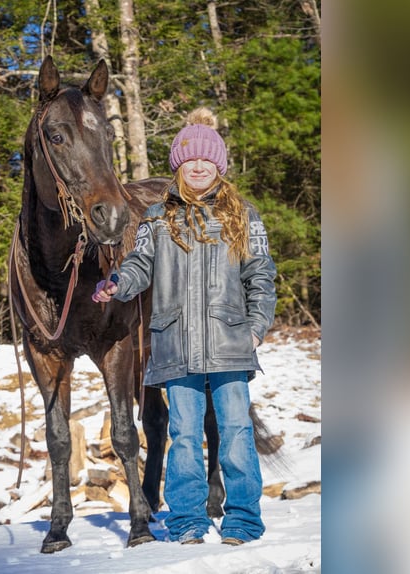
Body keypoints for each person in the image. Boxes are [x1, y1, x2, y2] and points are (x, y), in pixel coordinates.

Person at [92, 108, 277, 546]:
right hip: (175, 346)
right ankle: (188, 521)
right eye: (189, 160)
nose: (197, 167)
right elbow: (139, 265)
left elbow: (262, 277)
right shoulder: (157, 217)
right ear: (178, 165)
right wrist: (118, 283)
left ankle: (243, 520)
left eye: (206, 160)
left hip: (231, 344)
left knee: (235, 435)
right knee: (184, 437)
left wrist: (254, 329)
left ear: (218, 165)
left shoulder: (243, 216)